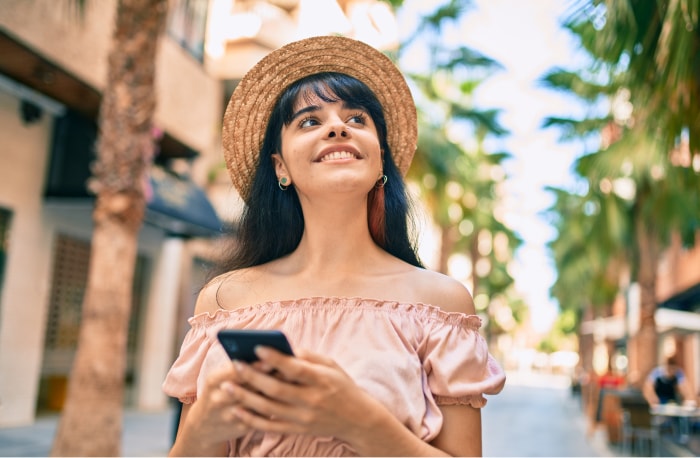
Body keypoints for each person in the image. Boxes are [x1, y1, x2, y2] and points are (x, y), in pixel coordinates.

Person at [162, 35, 505, 457]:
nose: (336, 127)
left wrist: (356, 421)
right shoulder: (223, 300)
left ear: (381, 158)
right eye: (309, 121)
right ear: (280, 166)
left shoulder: (441, 304)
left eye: (357, 118)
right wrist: (203, 428)